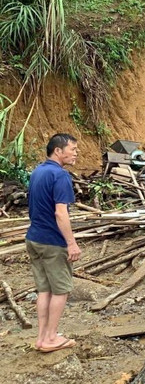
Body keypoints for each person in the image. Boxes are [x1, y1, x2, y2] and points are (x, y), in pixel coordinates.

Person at [26, 133, 81, 353]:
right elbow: (61, 213)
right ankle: (50, 338)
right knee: (61, 290)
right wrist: (71, 243)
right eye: (73, 149)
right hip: (52, 242)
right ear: (58, 151)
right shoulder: (60, 176)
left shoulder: (38, 172)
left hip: (34, 238)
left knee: (44, 290)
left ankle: (42, 337)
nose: (76, 153)